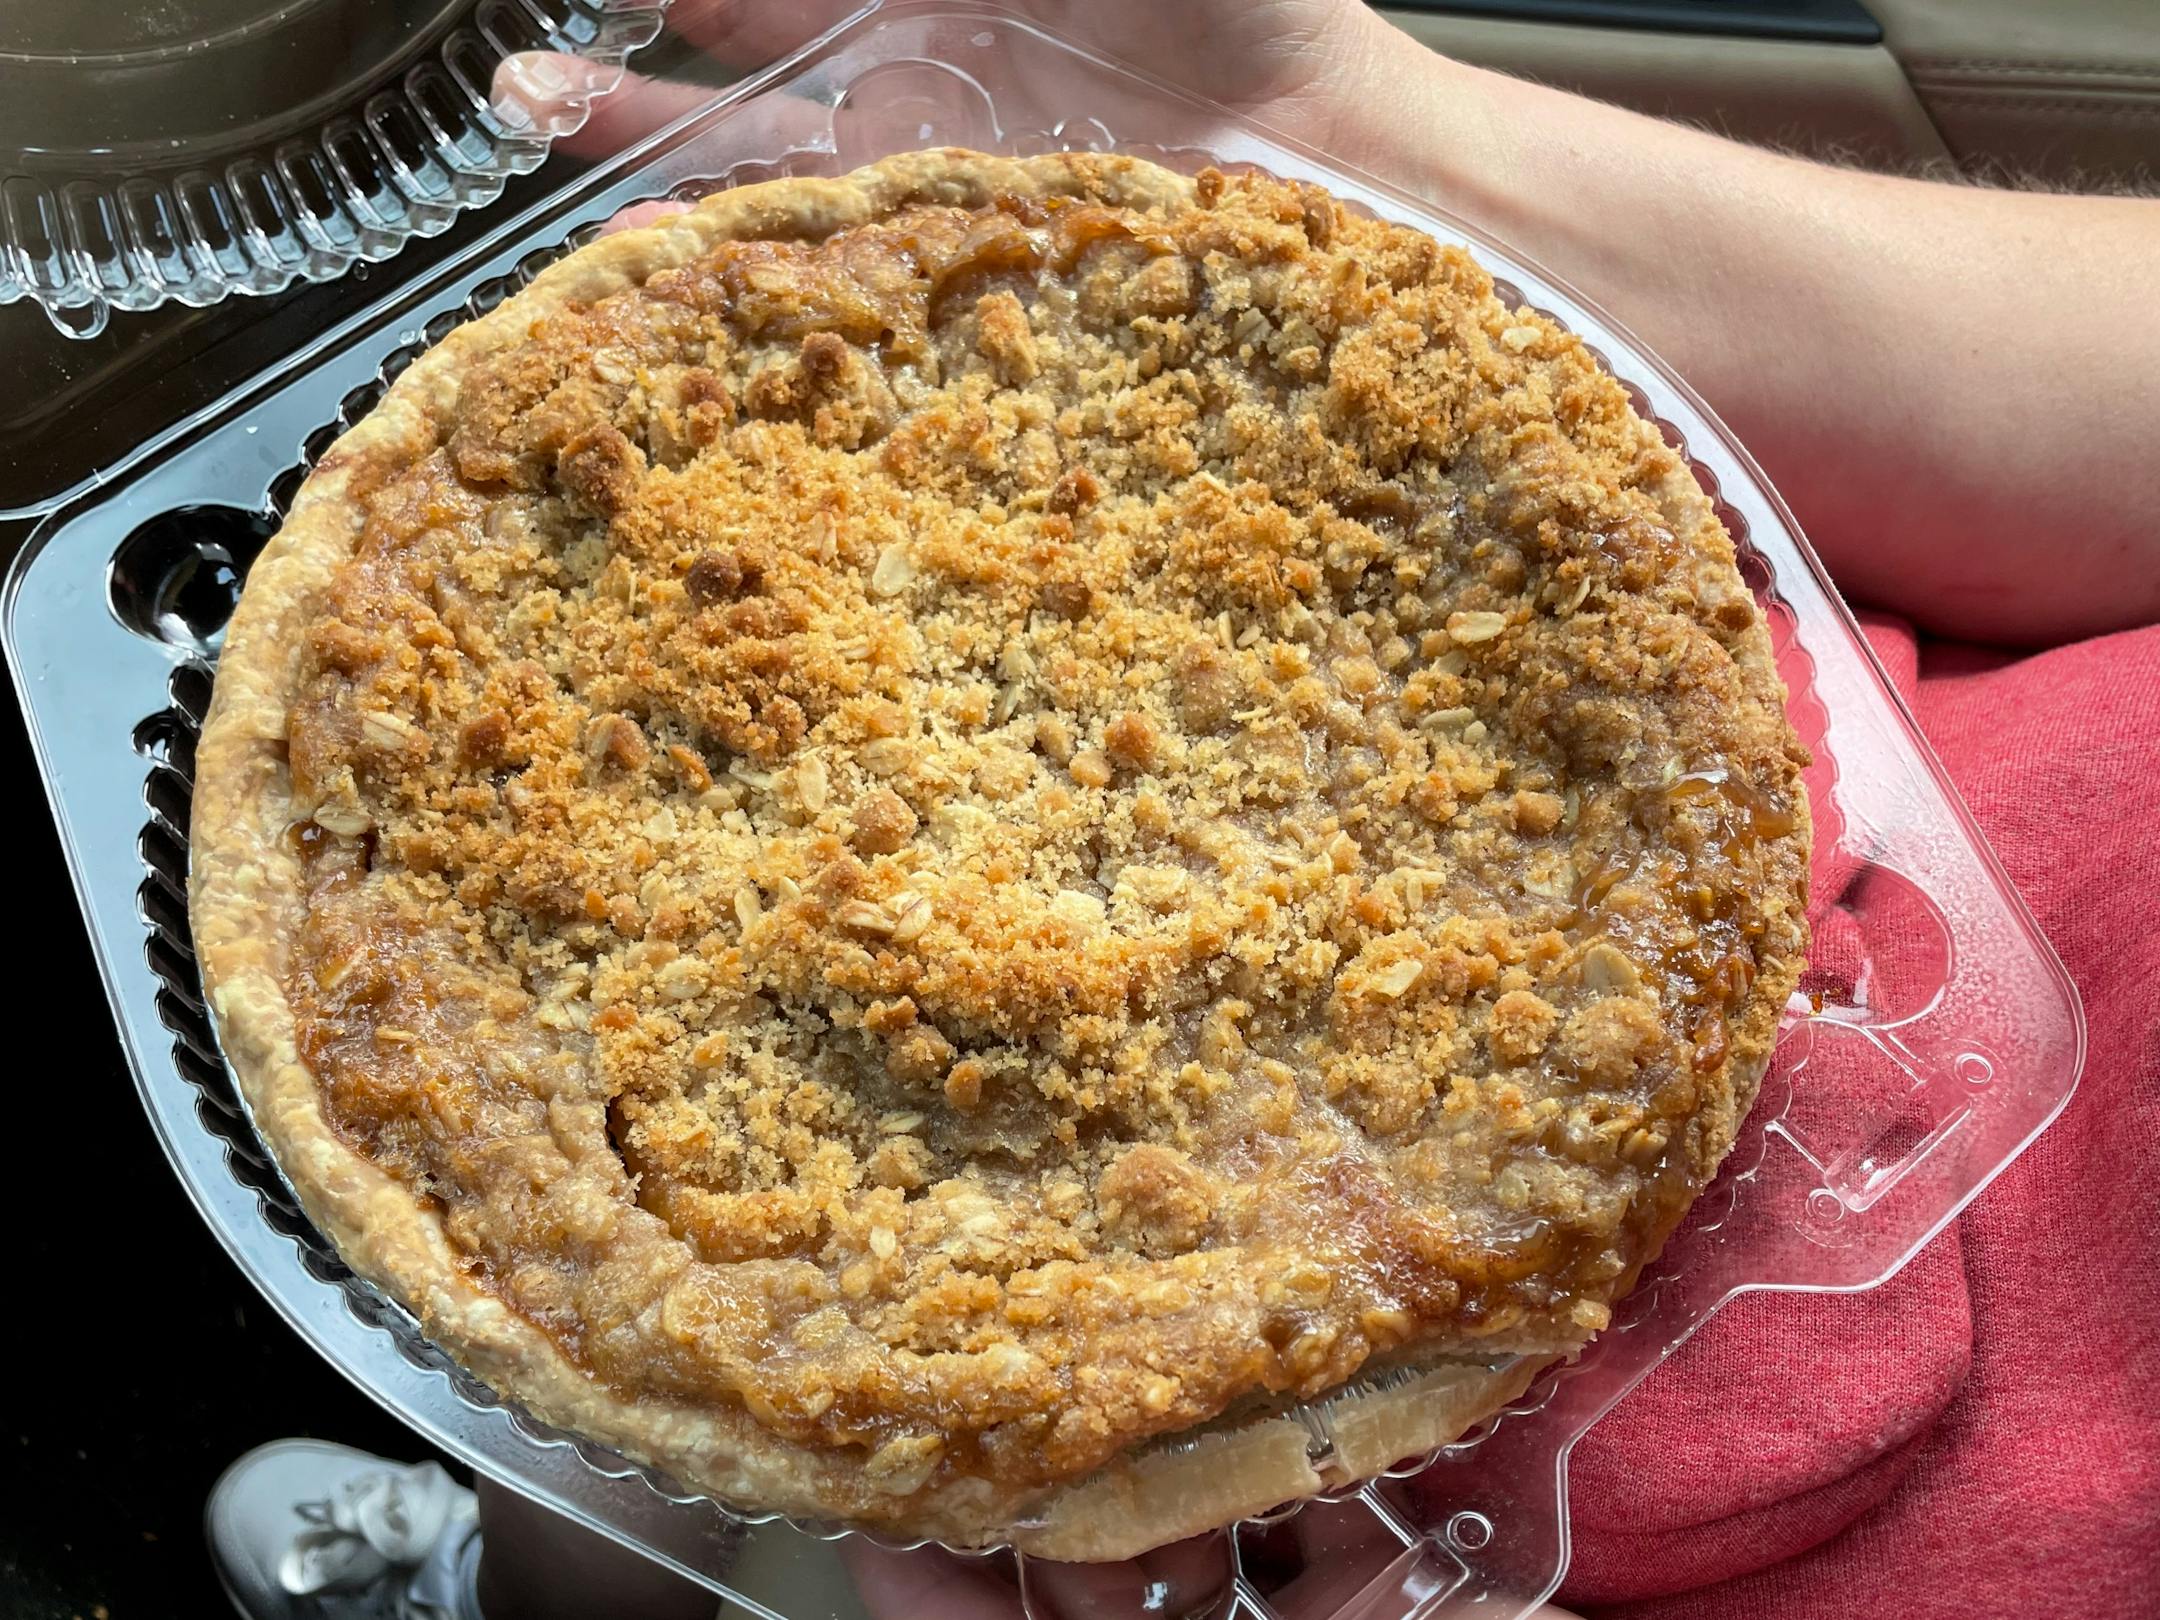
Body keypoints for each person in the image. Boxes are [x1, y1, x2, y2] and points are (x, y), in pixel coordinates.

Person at [204, 1, 2160, 1616]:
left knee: (728, 1445)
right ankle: (511, 1553)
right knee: (582, 1394)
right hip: (1790, 756)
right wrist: (1353, 130)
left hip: (1361, 1508)